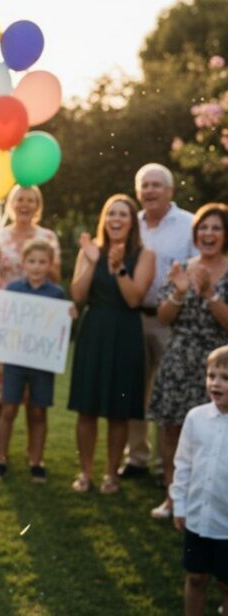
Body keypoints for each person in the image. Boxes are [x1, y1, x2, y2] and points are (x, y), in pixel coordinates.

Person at [68, 194, 155, 494]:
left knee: (118, 409)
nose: (116, 219)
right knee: (87, 407)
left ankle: (111, 474)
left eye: (123, 214)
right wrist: (93, 261)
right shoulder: (90, 249)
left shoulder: (145, 255)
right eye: (111, 214)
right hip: (94, 330)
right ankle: (86, 473)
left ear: (132, 222)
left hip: (125, 331)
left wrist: (118, 268)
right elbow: (78, 294)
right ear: (105, 219)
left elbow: (134, 299)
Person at [148, 203, 228, 519]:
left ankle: (211, 500)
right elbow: (164, 318)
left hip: (219, 365)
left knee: (215, 433)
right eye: (203, 228)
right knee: (173, 430)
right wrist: (179, 293)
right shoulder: (182, 267)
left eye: (215, 228)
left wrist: (210, 295)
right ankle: (173, 497)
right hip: (180, 358)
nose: (208, 234)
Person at [125, 163, 197, 480]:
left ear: (170, 190)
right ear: (138, 191)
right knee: (134, 389)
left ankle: (163, 464)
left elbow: (199, 269)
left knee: (167, 392)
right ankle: (136, 458)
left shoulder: (189, 225)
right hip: (133, 318)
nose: (150, 191)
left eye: (157, 185)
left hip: (172, 321)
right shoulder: (131, 224)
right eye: (145, 185)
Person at [0, 185, 61, 463]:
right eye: (20, 199)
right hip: (5, 318)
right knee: (1, 388)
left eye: (30, 200)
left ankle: (33, 453)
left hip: (35, 322)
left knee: (34, 391)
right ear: (11, 204)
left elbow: (56, 277)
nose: (25, 204)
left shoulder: (47, 236)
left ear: (38, 204)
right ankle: (1, 449)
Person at [0, 239, 75, 483]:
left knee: (38, 411)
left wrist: (69, 317)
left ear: (50, 265)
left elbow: (59, 330)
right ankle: (1, 457)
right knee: (8, 408)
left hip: (41, 363)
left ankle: (36, 460)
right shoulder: (13, 289)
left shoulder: (57, 293)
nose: (37, 267)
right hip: (15, 361)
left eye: (42, 262)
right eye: (32, 261)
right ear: (23, 263)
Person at [169, 345, 228, 616]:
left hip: (226, 524)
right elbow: (183, 465)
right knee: (195, 577)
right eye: (211, 375)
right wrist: (179, 504)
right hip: (197, 518)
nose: (216, 384)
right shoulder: (196, 418)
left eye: (225, 378)